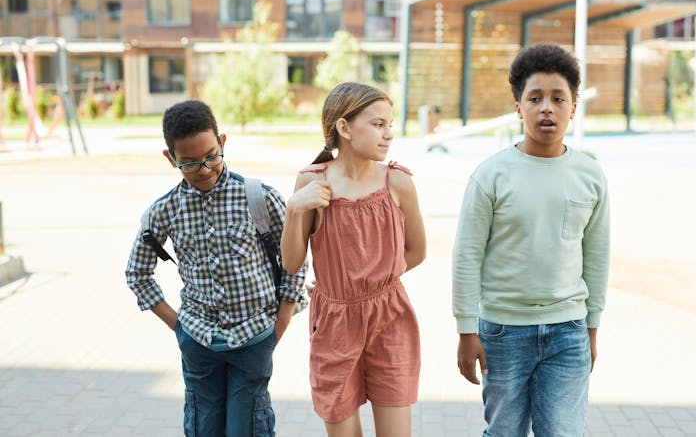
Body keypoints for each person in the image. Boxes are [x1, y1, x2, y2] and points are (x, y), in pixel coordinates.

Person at [452, 44, 610, 436]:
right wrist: (466, 330)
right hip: (503, 332)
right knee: (504, 432)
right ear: (517, 106)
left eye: (559, 98)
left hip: (568, 330)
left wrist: (591, 327)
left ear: (573, 106)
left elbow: (597, 255)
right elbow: (467, 255)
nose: (546, 108)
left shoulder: (590, 174)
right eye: (534, 98)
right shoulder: (491, 175)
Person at [125, 100, 307, 436]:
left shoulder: (259, 197)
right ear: (171, 158)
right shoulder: (164, 210)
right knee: (204, 427)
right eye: (191, 164)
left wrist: (280, 322)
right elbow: (137, 273)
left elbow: (294, 263)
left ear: (222, 141)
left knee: (247, 427)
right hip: (198, 343)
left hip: (254, 337)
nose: (206, 169)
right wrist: (179, 326)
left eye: (212, 156)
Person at [280, 82, 426, 437]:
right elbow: (291, 263)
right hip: (334, 323)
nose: (389, 134)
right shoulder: (311, 181)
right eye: (378, 124)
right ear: (344, 128)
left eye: (390, 124)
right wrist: (294, 209)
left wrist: (376, 281)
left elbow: (417, 251)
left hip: (390, 318)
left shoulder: (398, 182)